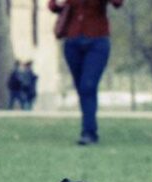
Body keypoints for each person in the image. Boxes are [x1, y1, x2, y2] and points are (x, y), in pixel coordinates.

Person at [48, 0, 124, 145]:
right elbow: (53, 6)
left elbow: (118, 3)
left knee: (88, 86)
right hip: (72, 42)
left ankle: (89, 132)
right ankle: (88, 129)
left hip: (97, 41)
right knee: (82, 89)